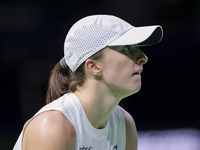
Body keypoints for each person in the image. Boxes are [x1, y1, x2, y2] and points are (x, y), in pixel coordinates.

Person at [13, 15, 163, 150]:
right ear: (93, 66)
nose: (143, 57)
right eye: (127, 48)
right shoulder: (53, 127)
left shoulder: (125, 124)